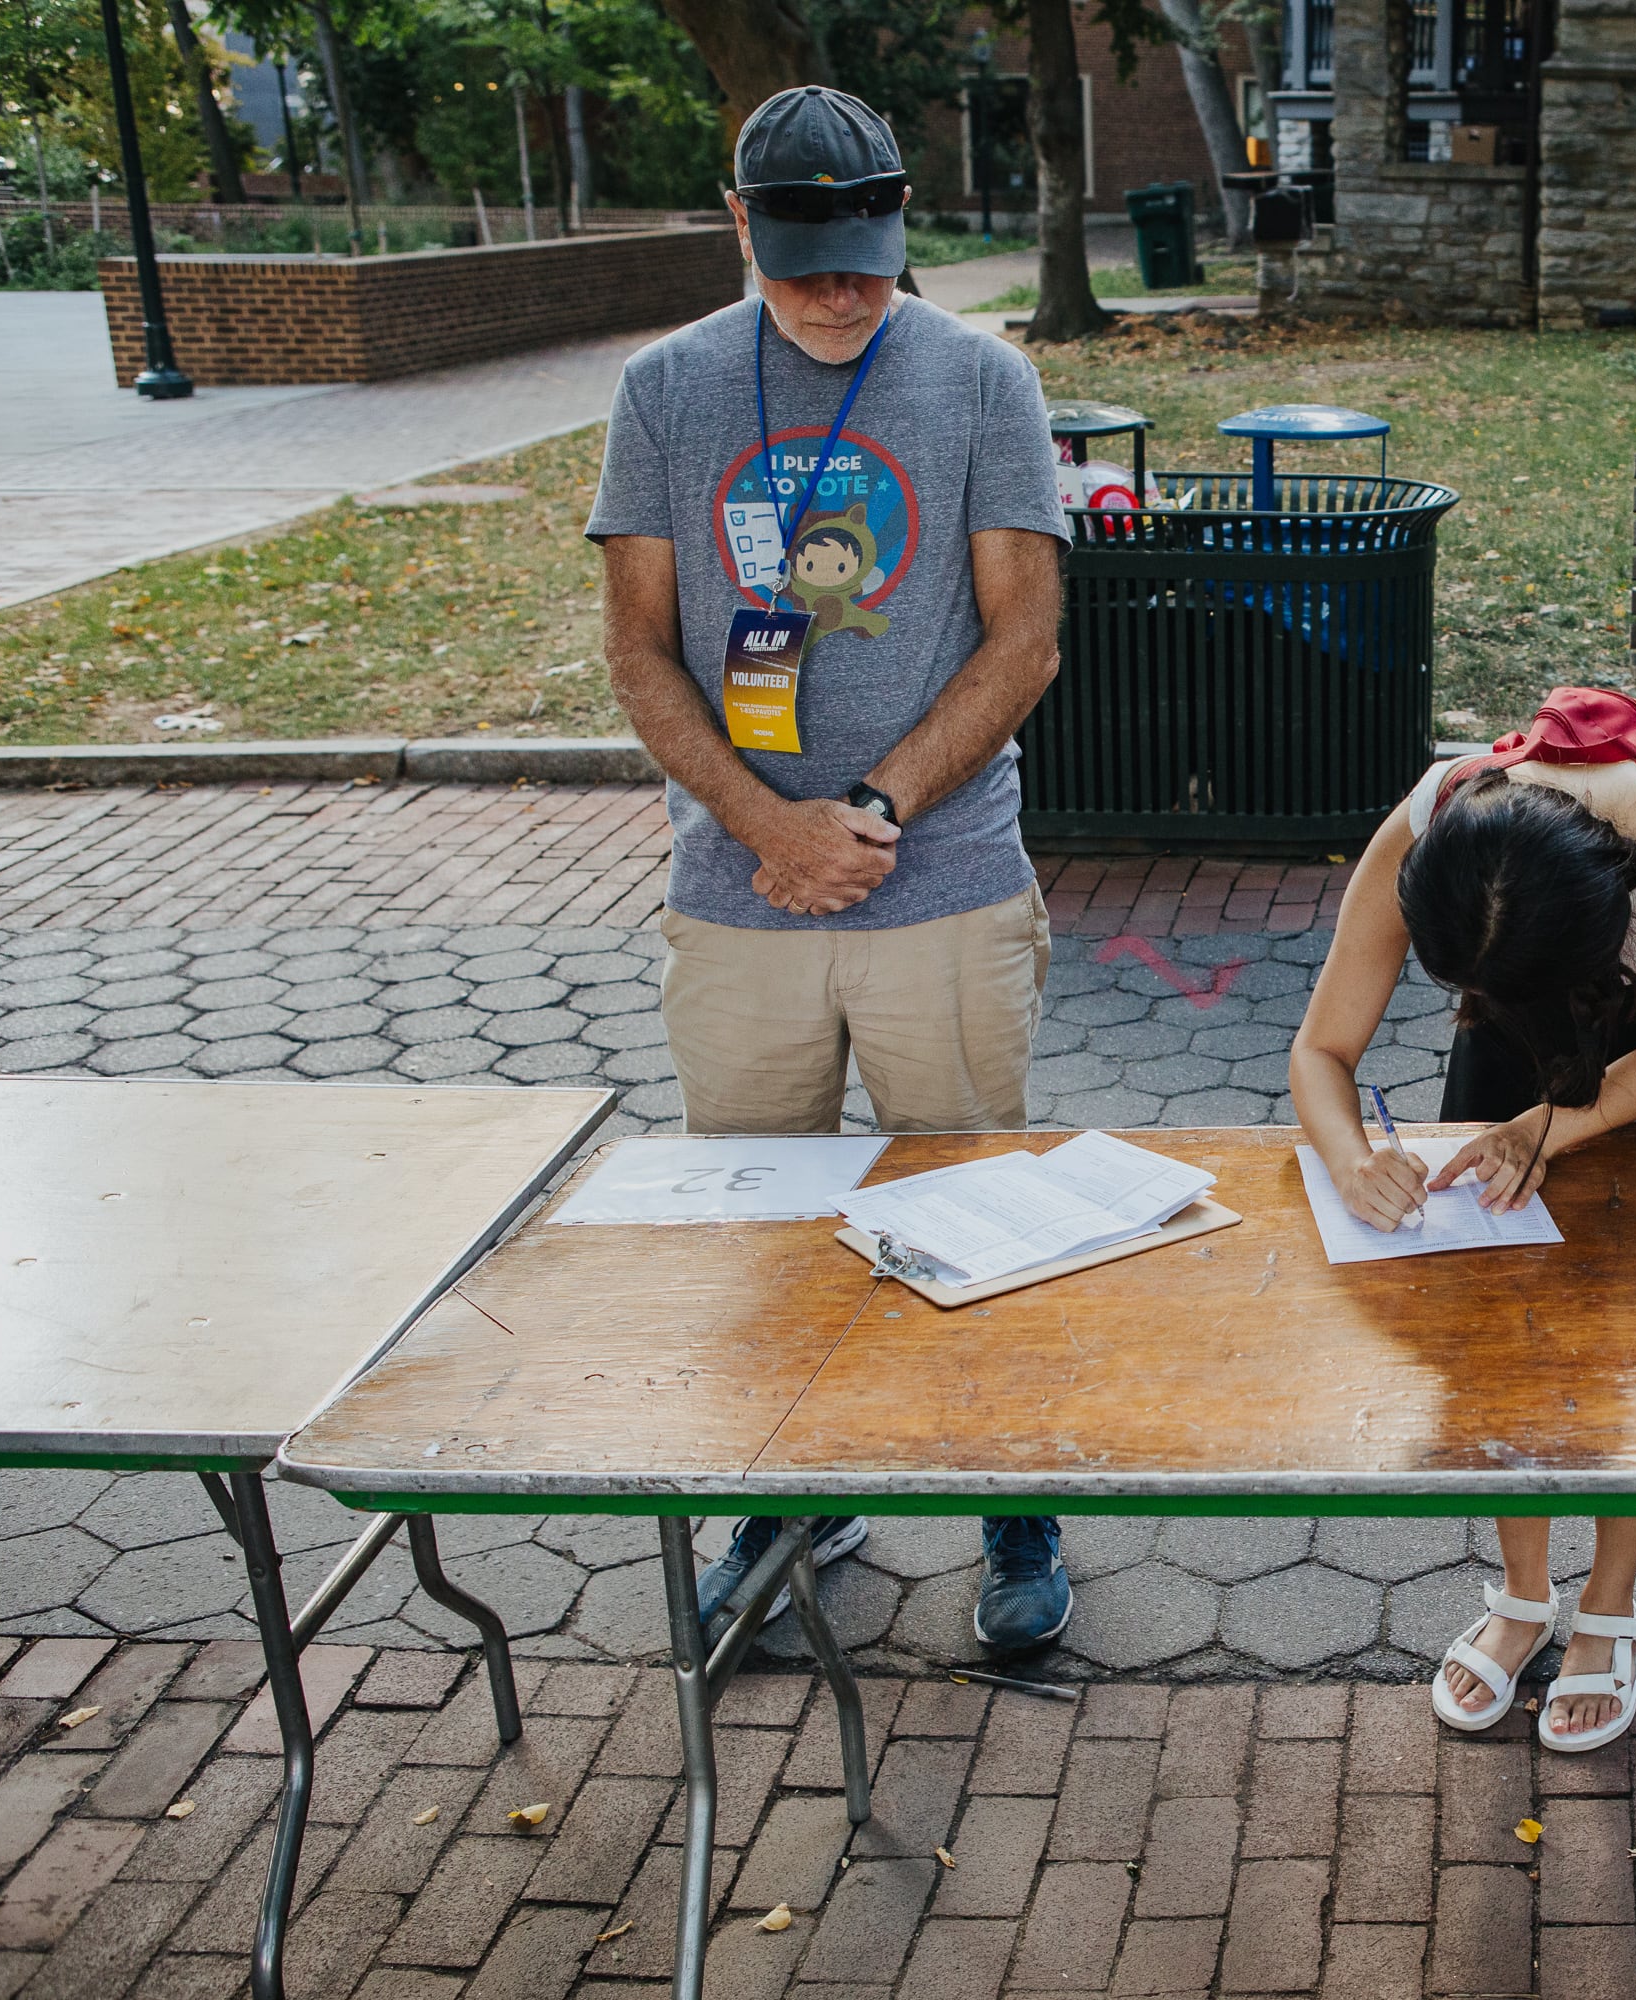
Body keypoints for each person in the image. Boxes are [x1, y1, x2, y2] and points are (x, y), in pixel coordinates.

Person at [587, 83, 1072, 1654]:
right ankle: (794, 1494)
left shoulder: (981, 379)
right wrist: (769, 829)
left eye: (865, 253)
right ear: (741, 228)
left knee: (977, 1204)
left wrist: (865, 805)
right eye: (803, 262)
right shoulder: (664, 393)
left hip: (942, 884)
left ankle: (1013, 1501)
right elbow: (642, 656)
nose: (840, 291)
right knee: (768, 1232)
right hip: (740, 899)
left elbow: (1027, 637)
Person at [1287, 690, 1636, 1753]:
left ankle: (1610, 1603)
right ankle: (1524, 1591)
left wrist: (1557, 1124)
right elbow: (1320, 1052)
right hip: (1506, 1080)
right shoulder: (1436, 816)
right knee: (1498, 1346)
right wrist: (1354, 1157)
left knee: (1632, 1353)